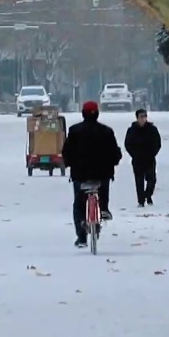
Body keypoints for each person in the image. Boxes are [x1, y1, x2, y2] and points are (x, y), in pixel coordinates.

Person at [62, 100, 122, 248]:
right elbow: (115, 153)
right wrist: (114, 162)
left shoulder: (74, 131)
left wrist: (69, 163)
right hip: (102, 173)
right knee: (103, 192)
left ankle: (81, 237)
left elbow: (66, 152)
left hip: (80, 174)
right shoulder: (106, 131)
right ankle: (104, 210)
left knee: (78, 204)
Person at [124, 108, 161, 207]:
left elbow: (157, 143)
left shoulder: (152, 129)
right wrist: (134, 154)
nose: (143, 119)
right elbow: (127, 144)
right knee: (139, 181)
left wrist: (153, 153)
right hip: (137, 159)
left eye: (145, 117)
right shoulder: (132, 130)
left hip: (149, 158)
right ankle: (141, 201)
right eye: (141, 117)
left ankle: (148, 195)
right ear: (137, 118)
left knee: (151, 180)